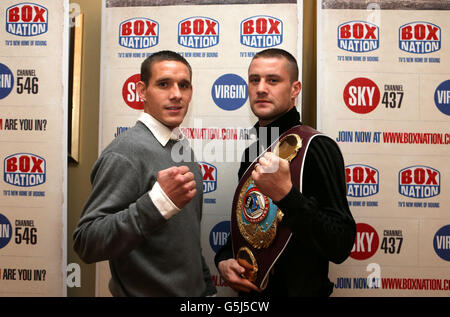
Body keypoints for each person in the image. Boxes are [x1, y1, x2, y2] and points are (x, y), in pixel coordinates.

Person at [73, 50, 216, 297]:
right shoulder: (125, 152)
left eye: (184, 85)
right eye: (163, 84)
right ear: (141, 91)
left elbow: (187, 241)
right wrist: (158, 203)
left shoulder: (180, 146)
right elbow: (86, 242)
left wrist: (207, 290)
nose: (176, 94)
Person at [215, 48, 356, 297]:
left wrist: (287, 195)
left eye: (273, 80)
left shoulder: (317, 147)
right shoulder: (252, 152)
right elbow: (247, 223)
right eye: (254, 79)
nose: (260, 88)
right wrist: (225, 258)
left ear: (295, 89)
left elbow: (340, 243)